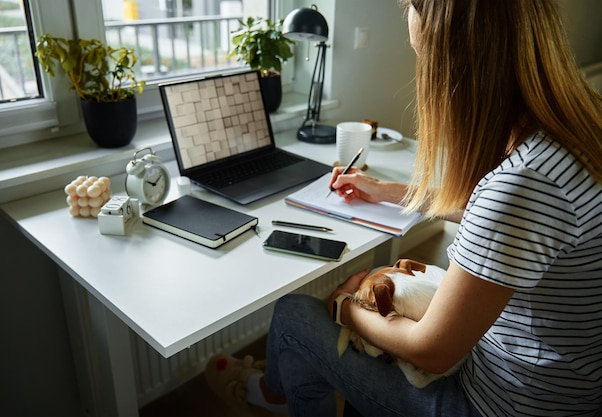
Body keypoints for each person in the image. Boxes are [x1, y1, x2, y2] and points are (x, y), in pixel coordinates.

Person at [205, 1, 602, 416]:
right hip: (569, 389)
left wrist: (346, 308)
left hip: (491, 404)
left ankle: (269, 393)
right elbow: (501, 220)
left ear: (460, 67)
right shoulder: (574, 131)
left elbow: (431, 352)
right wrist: (386, 190)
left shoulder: (522, 185)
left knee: (293, 313)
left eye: (421, 55)